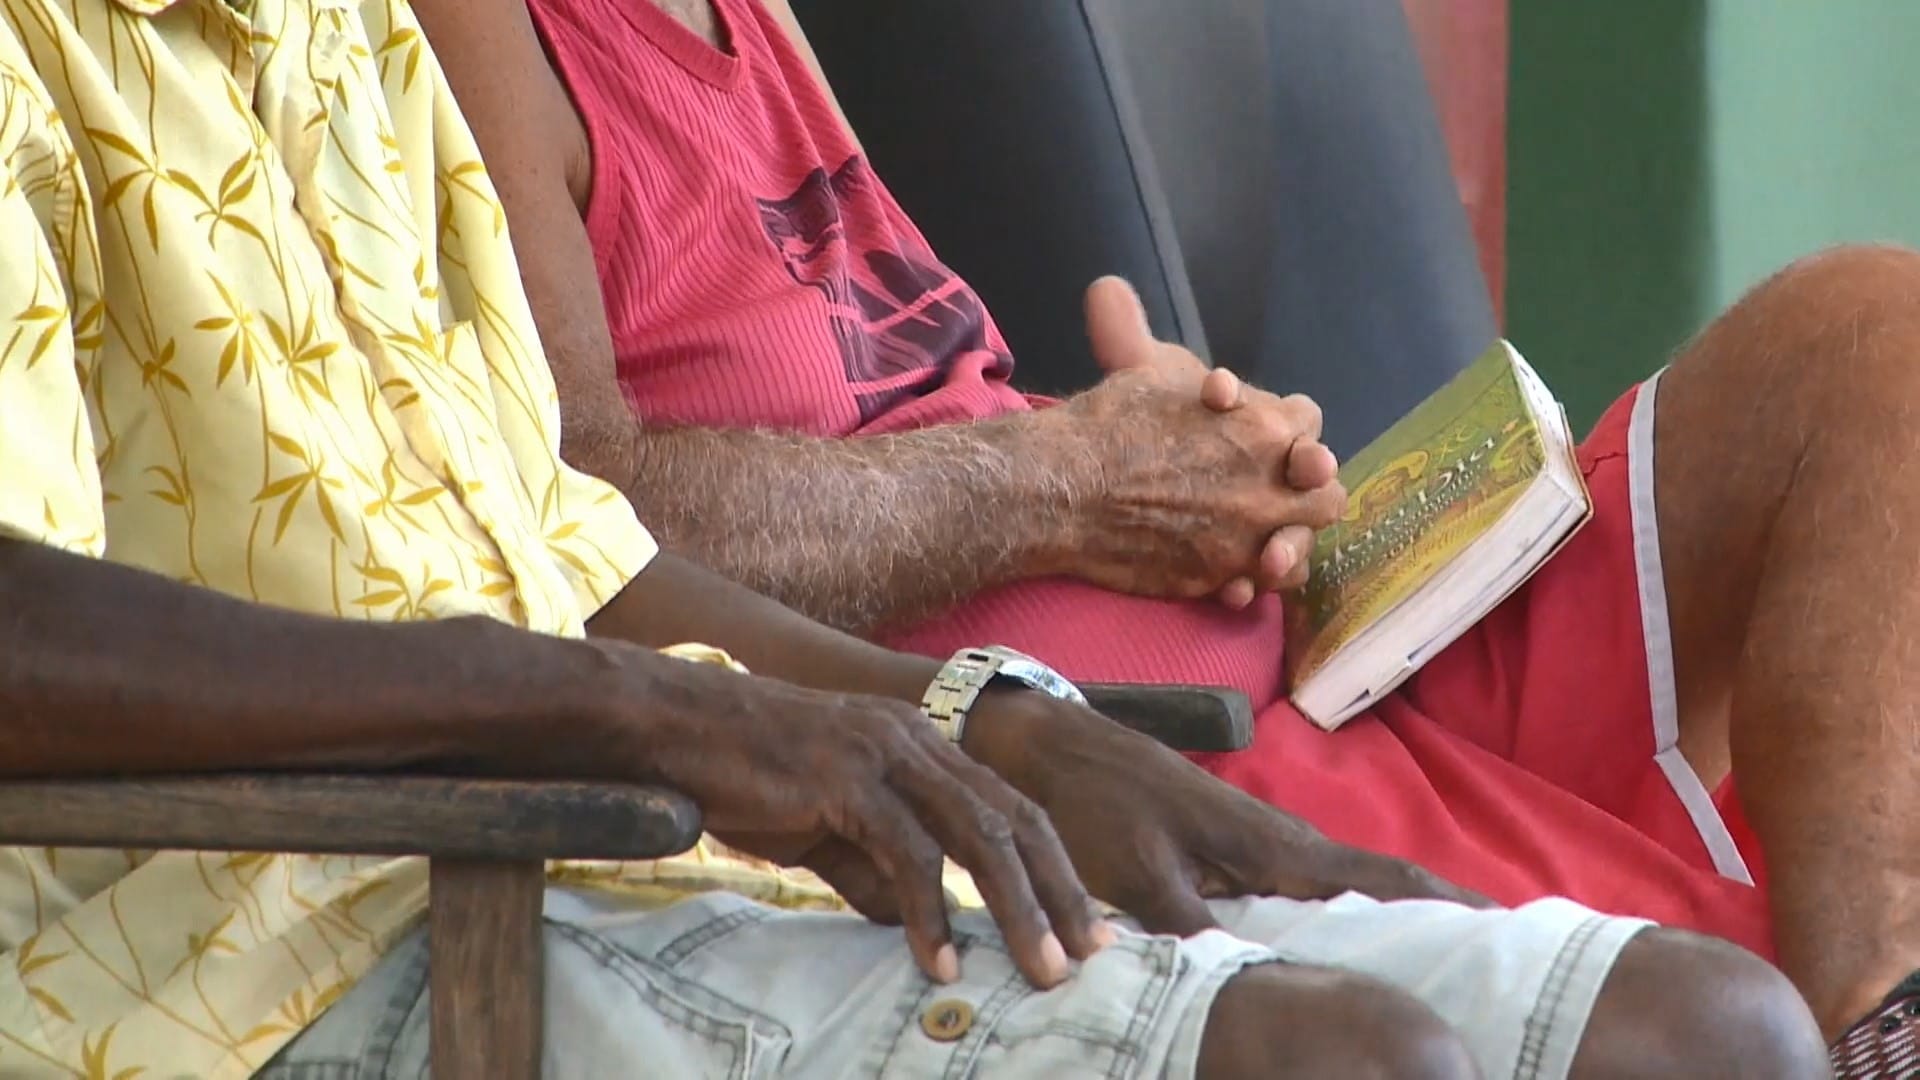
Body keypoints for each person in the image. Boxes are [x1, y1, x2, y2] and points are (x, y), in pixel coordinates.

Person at [0, 0, 1835, 1077]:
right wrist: (645, 713)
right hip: (275, 954)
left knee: (1710, 1033)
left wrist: (996, 721)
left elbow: (549, 538)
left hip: (669, 835)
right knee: (1360, 1061)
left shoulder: (343, 37)